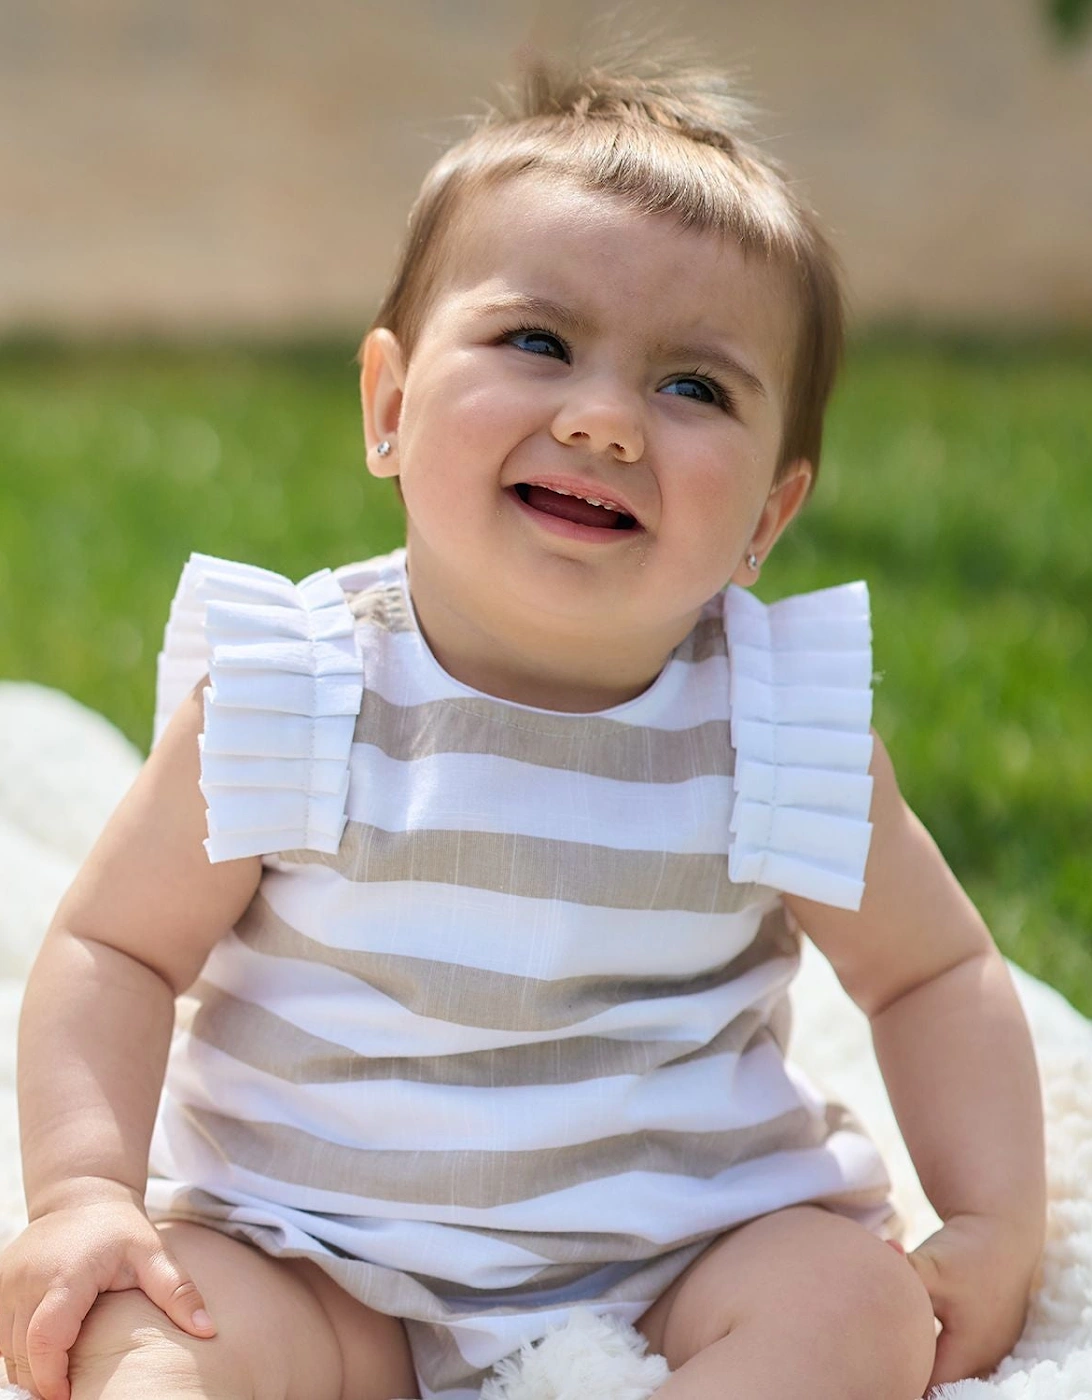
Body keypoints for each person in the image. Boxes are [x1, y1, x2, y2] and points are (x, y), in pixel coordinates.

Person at [0, 42, 1045, 1400]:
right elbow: (116, 949)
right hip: (318, 1254)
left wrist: (992, 1220)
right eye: (538, 342)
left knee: (856, 1308)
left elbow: (933, 976)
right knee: (152, 1344)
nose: (606, 420)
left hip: (682, 1254)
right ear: (388, 406)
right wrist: (87, 1191)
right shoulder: (295, 688)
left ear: (767, 521)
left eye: (694, 387)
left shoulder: (778, 725)